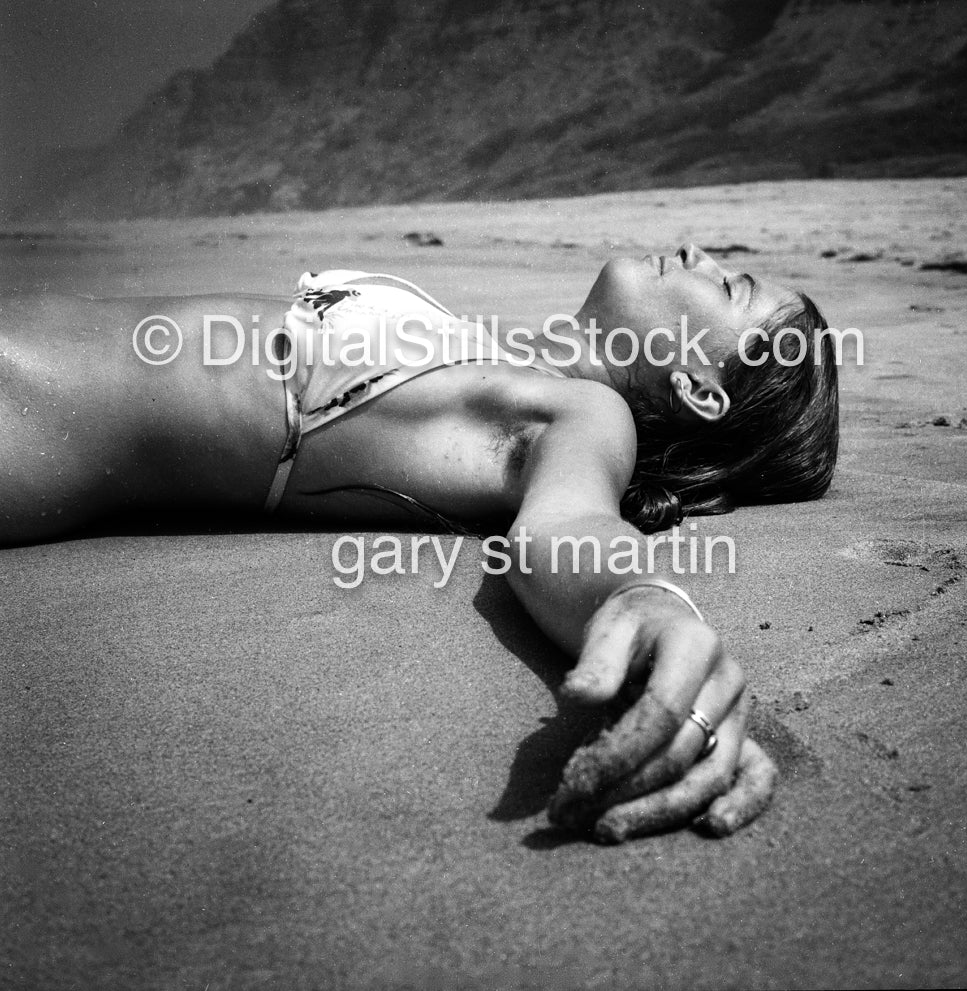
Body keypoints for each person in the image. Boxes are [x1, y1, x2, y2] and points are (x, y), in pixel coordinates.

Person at [0, 243, 839, 842]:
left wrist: (648, 601)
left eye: (730, 284)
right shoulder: (502, 355)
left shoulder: (585, 413)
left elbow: (566, 523)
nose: (696, 250)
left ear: (697, 387)